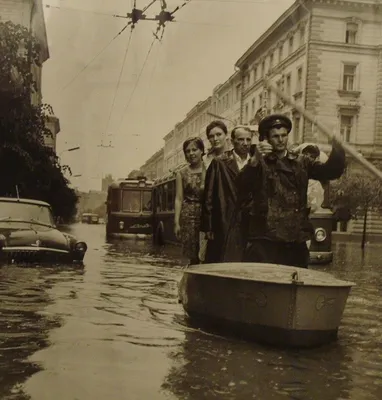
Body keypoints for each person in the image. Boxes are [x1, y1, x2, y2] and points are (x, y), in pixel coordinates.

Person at [236, 114, 346, 268]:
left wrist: (337, 147)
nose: (281, 140)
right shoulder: (259, 162)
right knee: (264, 286)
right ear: (266, 138)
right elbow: (241, 186)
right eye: (275, 136)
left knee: (296, 283)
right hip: (266, 239)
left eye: (284, 135)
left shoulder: (302, 161)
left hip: (295, 239)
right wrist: (255, 159)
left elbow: (330, 172)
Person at [201, 125, 253, 263]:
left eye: (248, 139)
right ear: (232, 141)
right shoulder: (220, 163)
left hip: (249, 220)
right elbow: (209, 195)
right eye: (241, 139)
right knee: (222, 259)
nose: (245, 143)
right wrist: (209, 226)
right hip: (225, 218)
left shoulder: (256, 163)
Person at [174, 137, 206, 265]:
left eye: (195, 149)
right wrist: (176, 222)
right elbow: (179, 198)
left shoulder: (209, 168)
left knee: (207, 251)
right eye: (187, 151)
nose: (191, 153)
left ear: (202, 150)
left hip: (206, 214)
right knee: (192, 254)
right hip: (189, 217)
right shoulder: (181, 173)